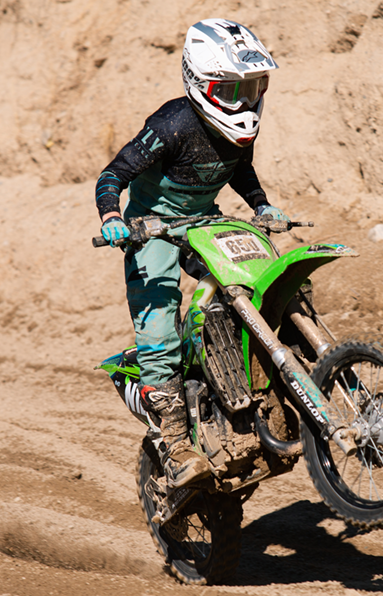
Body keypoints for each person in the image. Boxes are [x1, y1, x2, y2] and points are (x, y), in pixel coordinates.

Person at [95, 18, 290, 488]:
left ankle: (249, 381)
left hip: (204, 221)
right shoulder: (171, 124)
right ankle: (176, 441)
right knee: (159, 320)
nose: (245, 102)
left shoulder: (237, 129)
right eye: (232, 90)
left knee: (252, 280)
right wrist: (112, 216)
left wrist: (261, 205)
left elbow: (238, 167)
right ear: (201, 84)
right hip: (152, 227)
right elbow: (113, 174)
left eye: (253, 88)